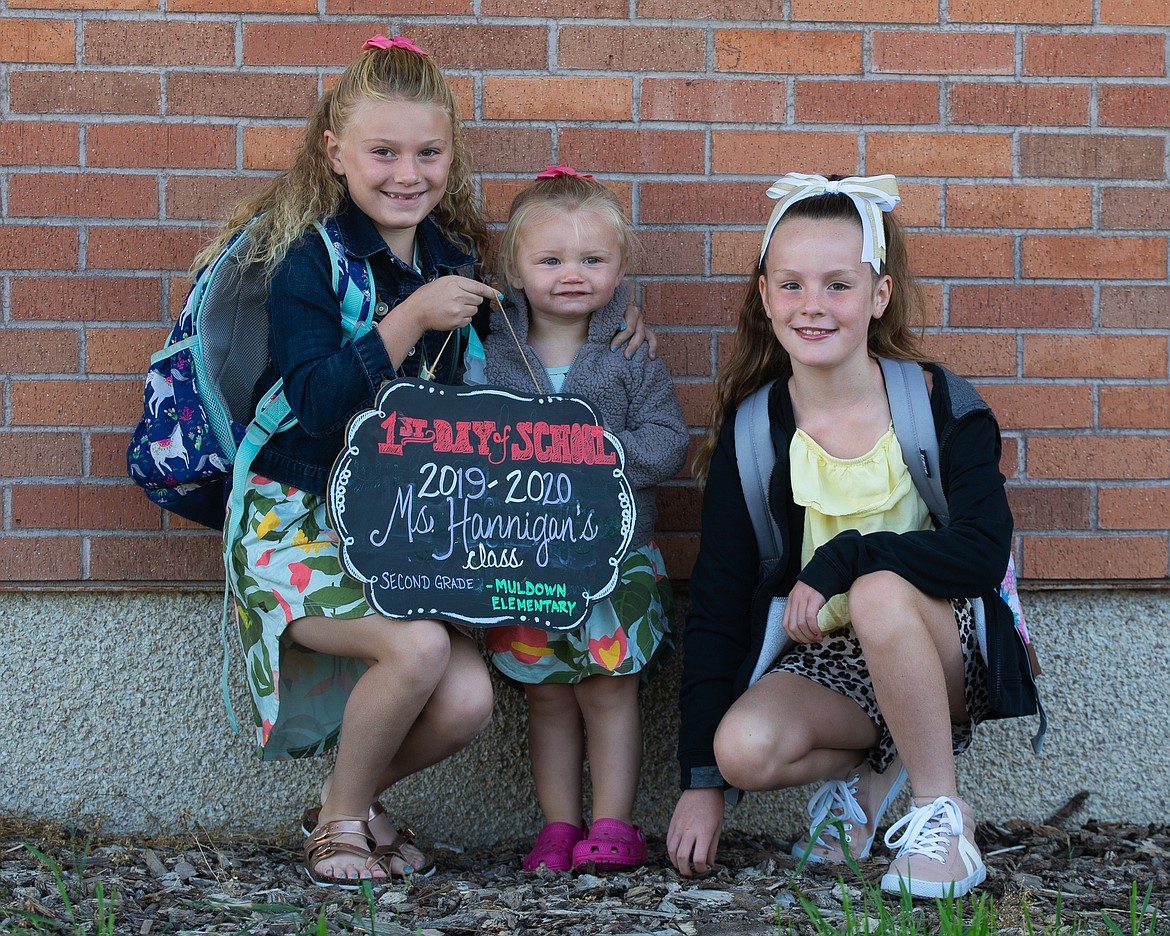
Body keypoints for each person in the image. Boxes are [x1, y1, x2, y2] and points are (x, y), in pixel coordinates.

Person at [204, 36, 651, 889]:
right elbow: (316, 399)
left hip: (396, 522)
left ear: (452, 153)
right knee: (416, 652)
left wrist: (619, 326)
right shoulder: (311, 259)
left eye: (428, 152)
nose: (407, 172)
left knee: (469, 697)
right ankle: (341, 825)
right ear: (336, 154)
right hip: (294, 521)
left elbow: (535, 319)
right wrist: (406, 319)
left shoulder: (450, 255)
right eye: (383, 152)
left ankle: (348, 800)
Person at [666, 173, 1011, 899]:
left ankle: (940, 815)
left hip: (947, 641)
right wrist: (701, 779)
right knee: (744, 750)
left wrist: (845, 559)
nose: (812, 306)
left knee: (881, 592)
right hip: (836, 659)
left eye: (838, 285)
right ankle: (873, 775)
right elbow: (720, 602)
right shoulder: (756, 431)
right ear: (764, 296)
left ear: (879, 295)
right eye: (790, 285)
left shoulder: (936, 403)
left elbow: (982, 553)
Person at [482, 166, 689, 873]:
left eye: (593, 259)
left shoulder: (630, 356)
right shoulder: (487, 354)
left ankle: (613, 823)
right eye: (551, 259)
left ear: (619, 266)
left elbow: (667, 443)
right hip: (525, 565)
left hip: (615, 558)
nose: (573, 274)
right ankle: (558, 827)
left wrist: (591, 454)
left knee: (607, 690)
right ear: (515, 268)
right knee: (547, 699)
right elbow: (463, 441)